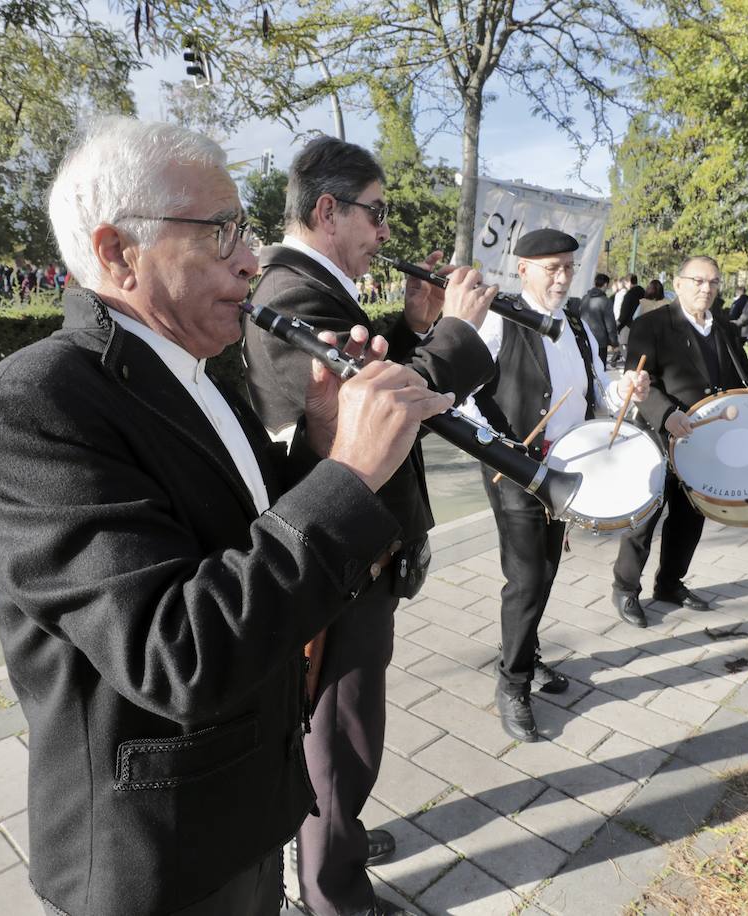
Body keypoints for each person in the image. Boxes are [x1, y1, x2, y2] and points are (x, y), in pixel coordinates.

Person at [0, 116, 453, 916]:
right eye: (221, 234)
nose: (252, 260)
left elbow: (241, 537)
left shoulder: (196, 373)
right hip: (157, 861)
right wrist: (353, 476)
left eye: (245, 231)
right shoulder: (32, 408)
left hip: (246, 814)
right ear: (118, 253)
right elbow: (177, 654)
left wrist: (323, 447)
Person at [241, 136, 496, 916]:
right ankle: (330, 893)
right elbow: (384, 401)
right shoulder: (290, 293)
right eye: (376, 214)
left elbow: (376, 367)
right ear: (327, 210)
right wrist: (456, 332)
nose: (385, 233)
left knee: (345, 735)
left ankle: (336, 842)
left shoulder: (311, 287)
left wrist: (415, 329)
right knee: (339, 741)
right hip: (339, 563)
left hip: (349, 553)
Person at [458, 228, 648, 742]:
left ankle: (526, 654)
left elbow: (593, 392)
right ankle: (512, 683)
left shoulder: (579, 325)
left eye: (568, 267)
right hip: (516, 471)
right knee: (526, 578)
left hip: (566, 473)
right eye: (551, 268)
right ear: (523, 269)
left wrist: (623, 388)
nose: (563, 277)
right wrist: (501, 444)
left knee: (545, 571)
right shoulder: (498, 320)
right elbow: (462, 393)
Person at [611, 255, 748, 627]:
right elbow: (640, 381)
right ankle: (626, 588)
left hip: (707, 442)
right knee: (643, 519)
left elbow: (740, 376)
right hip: (659, 438)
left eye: (713, 282)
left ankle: (670, 583)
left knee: (690, 517)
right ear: (678, 284)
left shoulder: (724, 327)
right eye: (697, 281)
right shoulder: (650, 324)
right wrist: (666, 414)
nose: (705, 289)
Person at [579, 273, 618, 368]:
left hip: (585, 339)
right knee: (600, 370)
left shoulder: (584, 298)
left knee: (587, 369)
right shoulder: (605, 301)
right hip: (600, 341)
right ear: (605, 284)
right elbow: (610, 325)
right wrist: (614, 343)